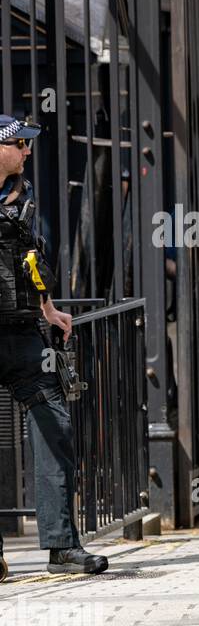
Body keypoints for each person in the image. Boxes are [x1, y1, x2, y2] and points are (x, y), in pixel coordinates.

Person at [0, 114, 109, 581]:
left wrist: (48, 309)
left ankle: (63, 546)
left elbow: (31, 262)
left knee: (54, 427)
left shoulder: (22, 200)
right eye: (20, 144)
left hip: (22, 333)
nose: (27, 152)